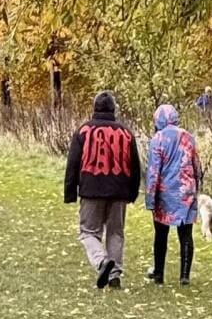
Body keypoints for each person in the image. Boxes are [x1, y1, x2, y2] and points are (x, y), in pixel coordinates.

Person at [63, 91, 141, 289]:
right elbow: (135, 166)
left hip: (91, 189)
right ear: (114, 109)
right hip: (120, 191)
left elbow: (73, 163)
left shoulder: (84, 131)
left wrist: (70, 191)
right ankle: (114, 274)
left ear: (94, 108)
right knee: (116, 232)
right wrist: (133, 192)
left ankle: (101, 261)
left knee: (88, 232)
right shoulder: (126, 133)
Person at [143, 103, 203, 285]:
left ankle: (159, 273)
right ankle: (184, 275)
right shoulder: (189, 137)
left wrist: (150, 198)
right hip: (186, 192)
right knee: (186, 234)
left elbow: (153, 171)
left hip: (165, 194)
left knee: (161, 234)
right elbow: (197, 166)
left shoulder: (158, 139)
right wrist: (197, 186)